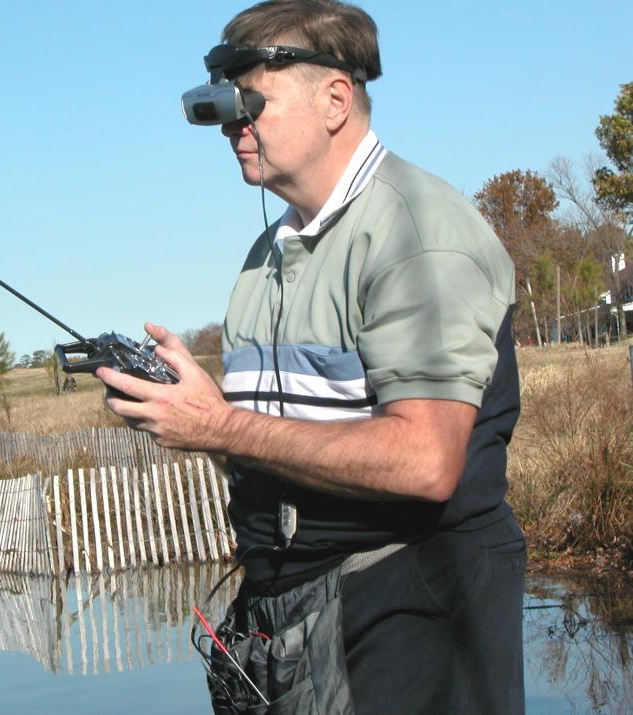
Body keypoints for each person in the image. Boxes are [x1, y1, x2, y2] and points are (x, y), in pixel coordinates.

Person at [95, 1, 526, 713]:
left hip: (409, 618)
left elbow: (427, 461)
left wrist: (222, 426)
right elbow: (278, 447)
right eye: (225, 106)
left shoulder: (418, 233)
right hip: (292, 622)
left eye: (251, 101)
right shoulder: (265, 259)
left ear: (335, 99)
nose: (233, 125)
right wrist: (198, 412)